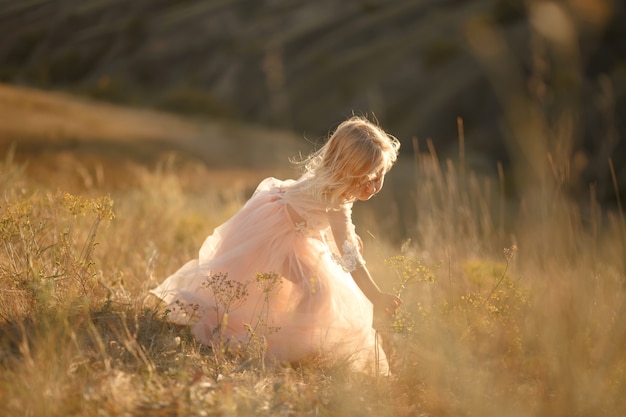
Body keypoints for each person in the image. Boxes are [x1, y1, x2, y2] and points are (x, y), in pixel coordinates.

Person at [150, 116, 402, 373]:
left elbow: (321, 219)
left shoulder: (330, 182)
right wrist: (376, 295)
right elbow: (350, 258)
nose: (374, 186)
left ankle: (299, 342)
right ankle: (297, 347)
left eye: (379, 176)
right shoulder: (335, 198)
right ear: (345, 172)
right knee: (319, 291)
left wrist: (347, 237)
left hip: (283, 224)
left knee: (312, 290)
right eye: (367, 178)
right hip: (275, 235)